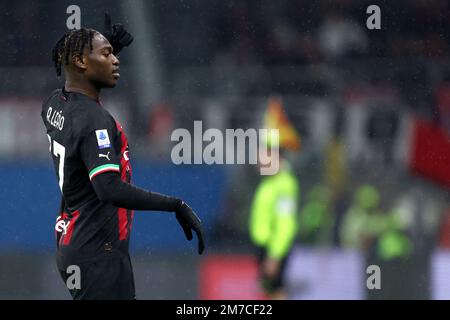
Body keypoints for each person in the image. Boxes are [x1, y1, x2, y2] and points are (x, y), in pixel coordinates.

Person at [41, 16, 204, 300]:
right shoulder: (95, 121)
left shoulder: (54, 103)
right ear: (80, 61)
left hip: (74, 244)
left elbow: (73, 82)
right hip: (98, 254)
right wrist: (175, 205)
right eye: (106, 54)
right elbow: (108, 188)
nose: (116, 60)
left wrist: (101, 51)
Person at [249, 97, 300, 299]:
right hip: (265, 247)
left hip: (273, 249)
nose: (259, 160)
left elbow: (285, 223)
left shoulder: (284, 184)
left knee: (275, 291)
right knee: (267, 291)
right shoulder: (269, 182)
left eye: (264, 154)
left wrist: (275, 256)